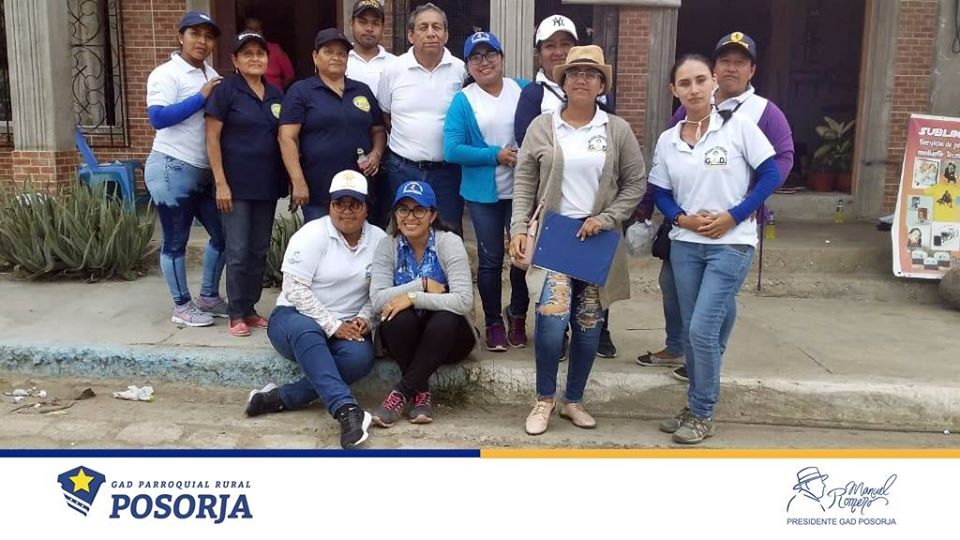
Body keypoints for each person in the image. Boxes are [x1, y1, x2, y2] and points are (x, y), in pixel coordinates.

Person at [635, 31, 794, 379]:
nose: (731, 68)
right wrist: (663, 211)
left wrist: (740, 207)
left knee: (716, 302)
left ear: (752, 70)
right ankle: (680, 347)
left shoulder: (763, 113)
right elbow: (668, 166)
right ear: (715, 69)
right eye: (725, 61)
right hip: (687, 227)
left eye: (740, 62)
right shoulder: (689, 109)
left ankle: (707, 361)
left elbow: (780, 163)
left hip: (733, 226)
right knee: (673, 286)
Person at [509, 46, 645, 436]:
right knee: (551, 321)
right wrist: (518, 227)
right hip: (554, 237)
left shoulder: (616, 130)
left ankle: (574, 400)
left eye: (590, 73)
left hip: (596, 239)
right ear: (563, 81)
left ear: (602, 84)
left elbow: (635, 183)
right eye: (574, 73)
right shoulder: (543, 126)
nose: (581, 79)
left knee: (588, 325)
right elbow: (524, 182)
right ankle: (544, 399)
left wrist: (606, 218)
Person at [649, 54, 779, 444]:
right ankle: (694, 405)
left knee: (702, 329)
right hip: (686, 245)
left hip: (731, 243)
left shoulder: (739, 127)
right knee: (693, 332)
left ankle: (703, 412)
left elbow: (771, 173)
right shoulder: (668, 140)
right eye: (684, 83)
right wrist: (681, 219)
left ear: (714, 84)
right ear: (674, 90)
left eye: (700, 80)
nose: (694, 89)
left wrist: (734, 216)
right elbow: (660, 192)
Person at [244, 170, 387, 449]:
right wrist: (332, 325)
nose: (346, 211)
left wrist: (365, 318)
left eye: (354, 204)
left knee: (360, 358)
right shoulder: (312, 234)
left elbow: (380, 290)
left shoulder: (379, 240)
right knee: (307, 331)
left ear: (366, 207)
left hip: (347, 324)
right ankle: (346, 409)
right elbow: (294, 288)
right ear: (330, 206)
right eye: (339, 204)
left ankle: (278, 398)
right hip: (294, 318)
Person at [514, 14, 619, 358]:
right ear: (540, 53)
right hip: (554, 213)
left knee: (593, 285)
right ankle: (552, 335)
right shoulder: (534, 96)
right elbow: (528, 155)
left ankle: (599, 331)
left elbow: (623, 166)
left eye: (566, 44)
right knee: (552, 296)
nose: (558, 51)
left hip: (595, 215)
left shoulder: (608, 114)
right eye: (551, 45)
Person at [443, 31, 529, 351]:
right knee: (490, 259)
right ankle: (493, 322)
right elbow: (452, 149)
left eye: (490, 54)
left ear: (502, 58)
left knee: (522, 257)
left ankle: (517, 315)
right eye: (476, 57)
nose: (484, 62)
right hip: (483, 195)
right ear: (468, 65)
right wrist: (495, 155)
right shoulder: (464, 100)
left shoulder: (523, 90)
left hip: (522, 191)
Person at [145, 11, 228, 327]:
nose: (202, 41)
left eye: (208, 36)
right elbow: (159, 118)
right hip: (172, 167)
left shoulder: (211, 73)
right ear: (181, 37)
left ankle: (208, 296)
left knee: (223, 234)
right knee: (176, 240)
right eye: (195, 34)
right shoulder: (166, 74)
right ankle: (181, 306)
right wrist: (200, 96)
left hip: (204, 172)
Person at [369, 181, 476, 426]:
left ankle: (400, 393)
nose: (410, 217)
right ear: (395, 214)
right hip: (404, 341)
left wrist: (413, 298)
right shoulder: (387, 245)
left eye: (419, 210)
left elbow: (463, 301)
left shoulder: (448, 242)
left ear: (432, 215)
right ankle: (421, 393)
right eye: (403, 209)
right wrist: (422, 284)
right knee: (396, 317)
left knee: (445, 318)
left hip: (448, 340)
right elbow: (377, 300)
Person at [205, 32, 287, 337]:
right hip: (235, 188)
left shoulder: (275, 94)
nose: (255, 58)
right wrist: (220, 183)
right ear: (235, 60)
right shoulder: (226, 91)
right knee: (238, 251)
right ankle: (235, 312)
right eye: (247, 53)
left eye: (260, 53)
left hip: (266, 186)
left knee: (258, 250)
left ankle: (250, 309)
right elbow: (212, 138)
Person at [279, 28, 386, 222]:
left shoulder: (362, 90)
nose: (336, 57)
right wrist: (298, 181)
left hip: (360, 187)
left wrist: (376, 154)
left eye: (341, 53)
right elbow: (287, 137)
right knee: (322, 239)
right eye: (328, 52)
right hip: (319, 189)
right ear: (315, 56)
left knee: (362, 239)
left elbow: (378, 130)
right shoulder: (301, 91)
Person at [378, 3, 466, 234]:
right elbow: (385, 114)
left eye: (437, 27)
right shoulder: (393, 69)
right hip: (403, 169)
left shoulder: (460, 70)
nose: (431, 33)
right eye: (423, 27)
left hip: (447, 172)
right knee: (405, 233)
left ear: (446, 34)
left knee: (448, 233)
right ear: (410, 35)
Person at [346, 0, 396, 229]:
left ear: (383, 27)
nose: (369, 28)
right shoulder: (341, 60)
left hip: (388, 155)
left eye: (375, 23)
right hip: (346, 150)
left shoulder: (396, 64)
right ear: (351, 24)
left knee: (381, 218)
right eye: (363, 22)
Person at [242, 17, 295, 91]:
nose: (254, 32)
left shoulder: (275, 49)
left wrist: (277, 90)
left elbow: (289, 75)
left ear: (261, 31)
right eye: (250, 29)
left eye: (257, 29)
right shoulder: (240, 51)